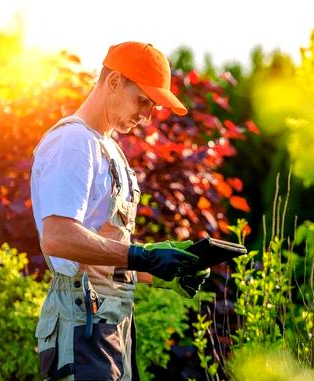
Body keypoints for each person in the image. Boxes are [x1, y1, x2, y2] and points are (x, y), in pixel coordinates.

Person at [30, 41, 209, 381]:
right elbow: (57, 237)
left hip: (110, 322)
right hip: (81, 323)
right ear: (113, 81)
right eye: (143, 100)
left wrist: (159, 272)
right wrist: (142, 256)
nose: (147, 115)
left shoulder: (108, 148)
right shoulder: (73, 142)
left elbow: (102, 252)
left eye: (153, 105)